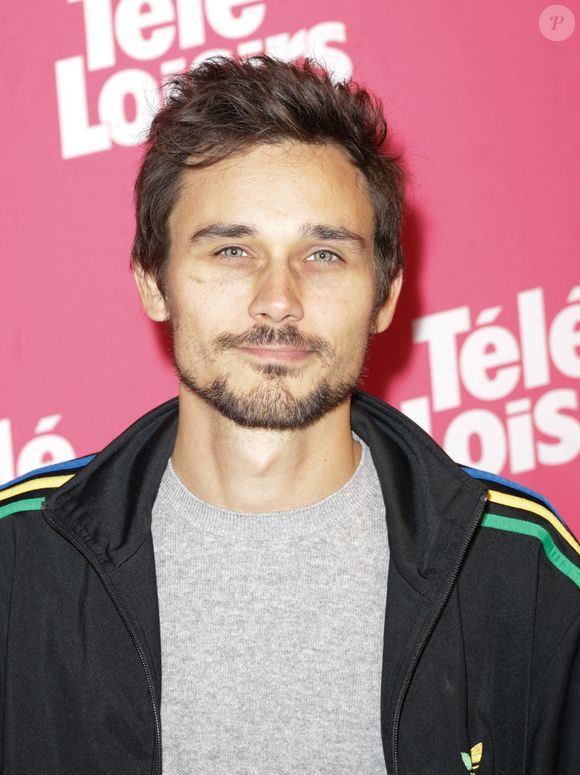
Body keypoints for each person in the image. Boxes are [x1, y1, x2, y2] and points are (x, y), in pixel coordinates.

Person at [0, 56, 578, 775]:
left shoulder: (520, 568)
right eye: (233, 249)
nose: (279, 299)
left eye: (325, 253)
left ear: (386, 294)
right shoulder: (18, 563)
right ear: (154, 281)